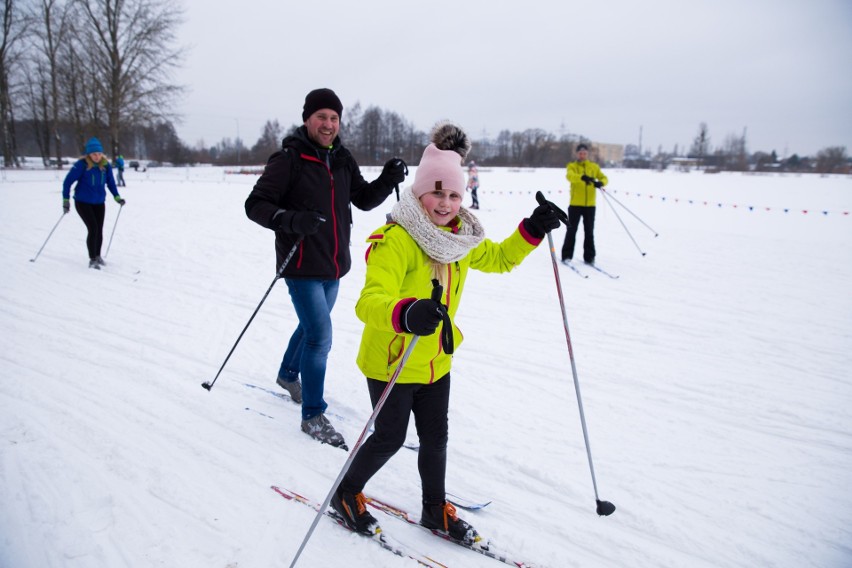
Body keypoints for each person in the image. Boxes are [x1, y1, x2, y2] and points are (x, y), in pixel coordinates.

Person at [329, 122, 561, 542]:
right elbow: (369, 301)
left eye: (454, 194)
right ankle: (346, 493)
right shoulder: (396, 240)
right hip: (393, 360)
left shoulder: (459, 240)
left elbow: (501, 259)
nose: (446, 203)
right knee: (389, 439)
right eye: (437, 192)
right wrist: (406, 311)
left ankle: (435, 510)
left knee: (436, 440)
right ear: (419, 193)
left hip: (436, 360)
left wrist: (533, 229)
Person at [245, 88, 406, 449]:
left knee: (310, 326)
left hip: (333, 264)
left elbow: (363, 199)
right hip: (300, 263)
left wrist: (387, 180)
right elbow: (255, 205)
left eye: (334, 118)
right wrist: (290, 219)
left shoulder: (342, 158)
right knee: (320, 336)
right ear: (307, 119)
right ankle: (313, 415)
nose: (328, 124)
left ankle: (288, 374)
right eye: (322, 117)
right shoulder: (289, 159)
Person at [62, 137, 126, 269]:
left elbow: (111, 183)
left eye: (99, 154)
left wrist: (117, 197)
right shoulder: (81, 165)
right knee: (93, 229)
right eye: (93, 154)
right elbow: (67, 182)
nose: (96, 157)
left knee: (99, 230)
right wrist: (66, 200)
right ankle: (92, 259)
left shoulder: (105, 166)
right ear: (88, 154)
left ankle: (98, 255)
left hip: (99, 202)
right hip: (83, 202)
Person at [561, 143, 608, 265]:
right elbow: (570, 176)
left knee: (589, 231)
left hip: (590, 205)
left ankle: (589, 257)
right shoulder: (572, 166)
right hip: (575, 204)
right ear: (577, 154)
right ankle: (566, 255)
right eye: (580, 153)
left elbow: (604, 178)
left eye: (585, 153)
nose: (582, 155)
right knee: (571, 230)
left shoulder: (593, 167)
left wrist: (600, 183)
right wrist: (582, 177)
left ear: (587, 154)